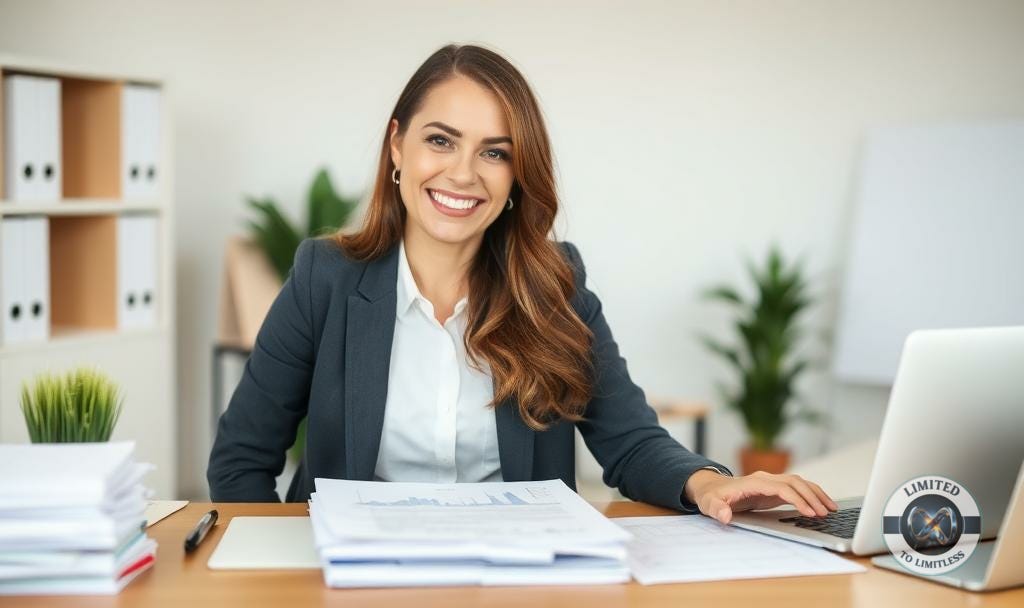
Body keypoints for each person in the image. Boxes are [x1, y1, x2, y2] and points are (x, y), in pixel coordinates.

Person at [207, 43, 838, 525]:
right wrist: (285, 569)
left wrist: (710, 483)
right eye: (440, 141)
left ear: (516, 174)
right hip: (353, 578)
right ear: (397, 147)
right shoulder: (325, 277)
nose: (463, 174)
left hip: (515, 577)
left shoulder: (555, 286)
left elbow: (629, 440)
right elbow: (242, 458)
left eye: (494, 152)